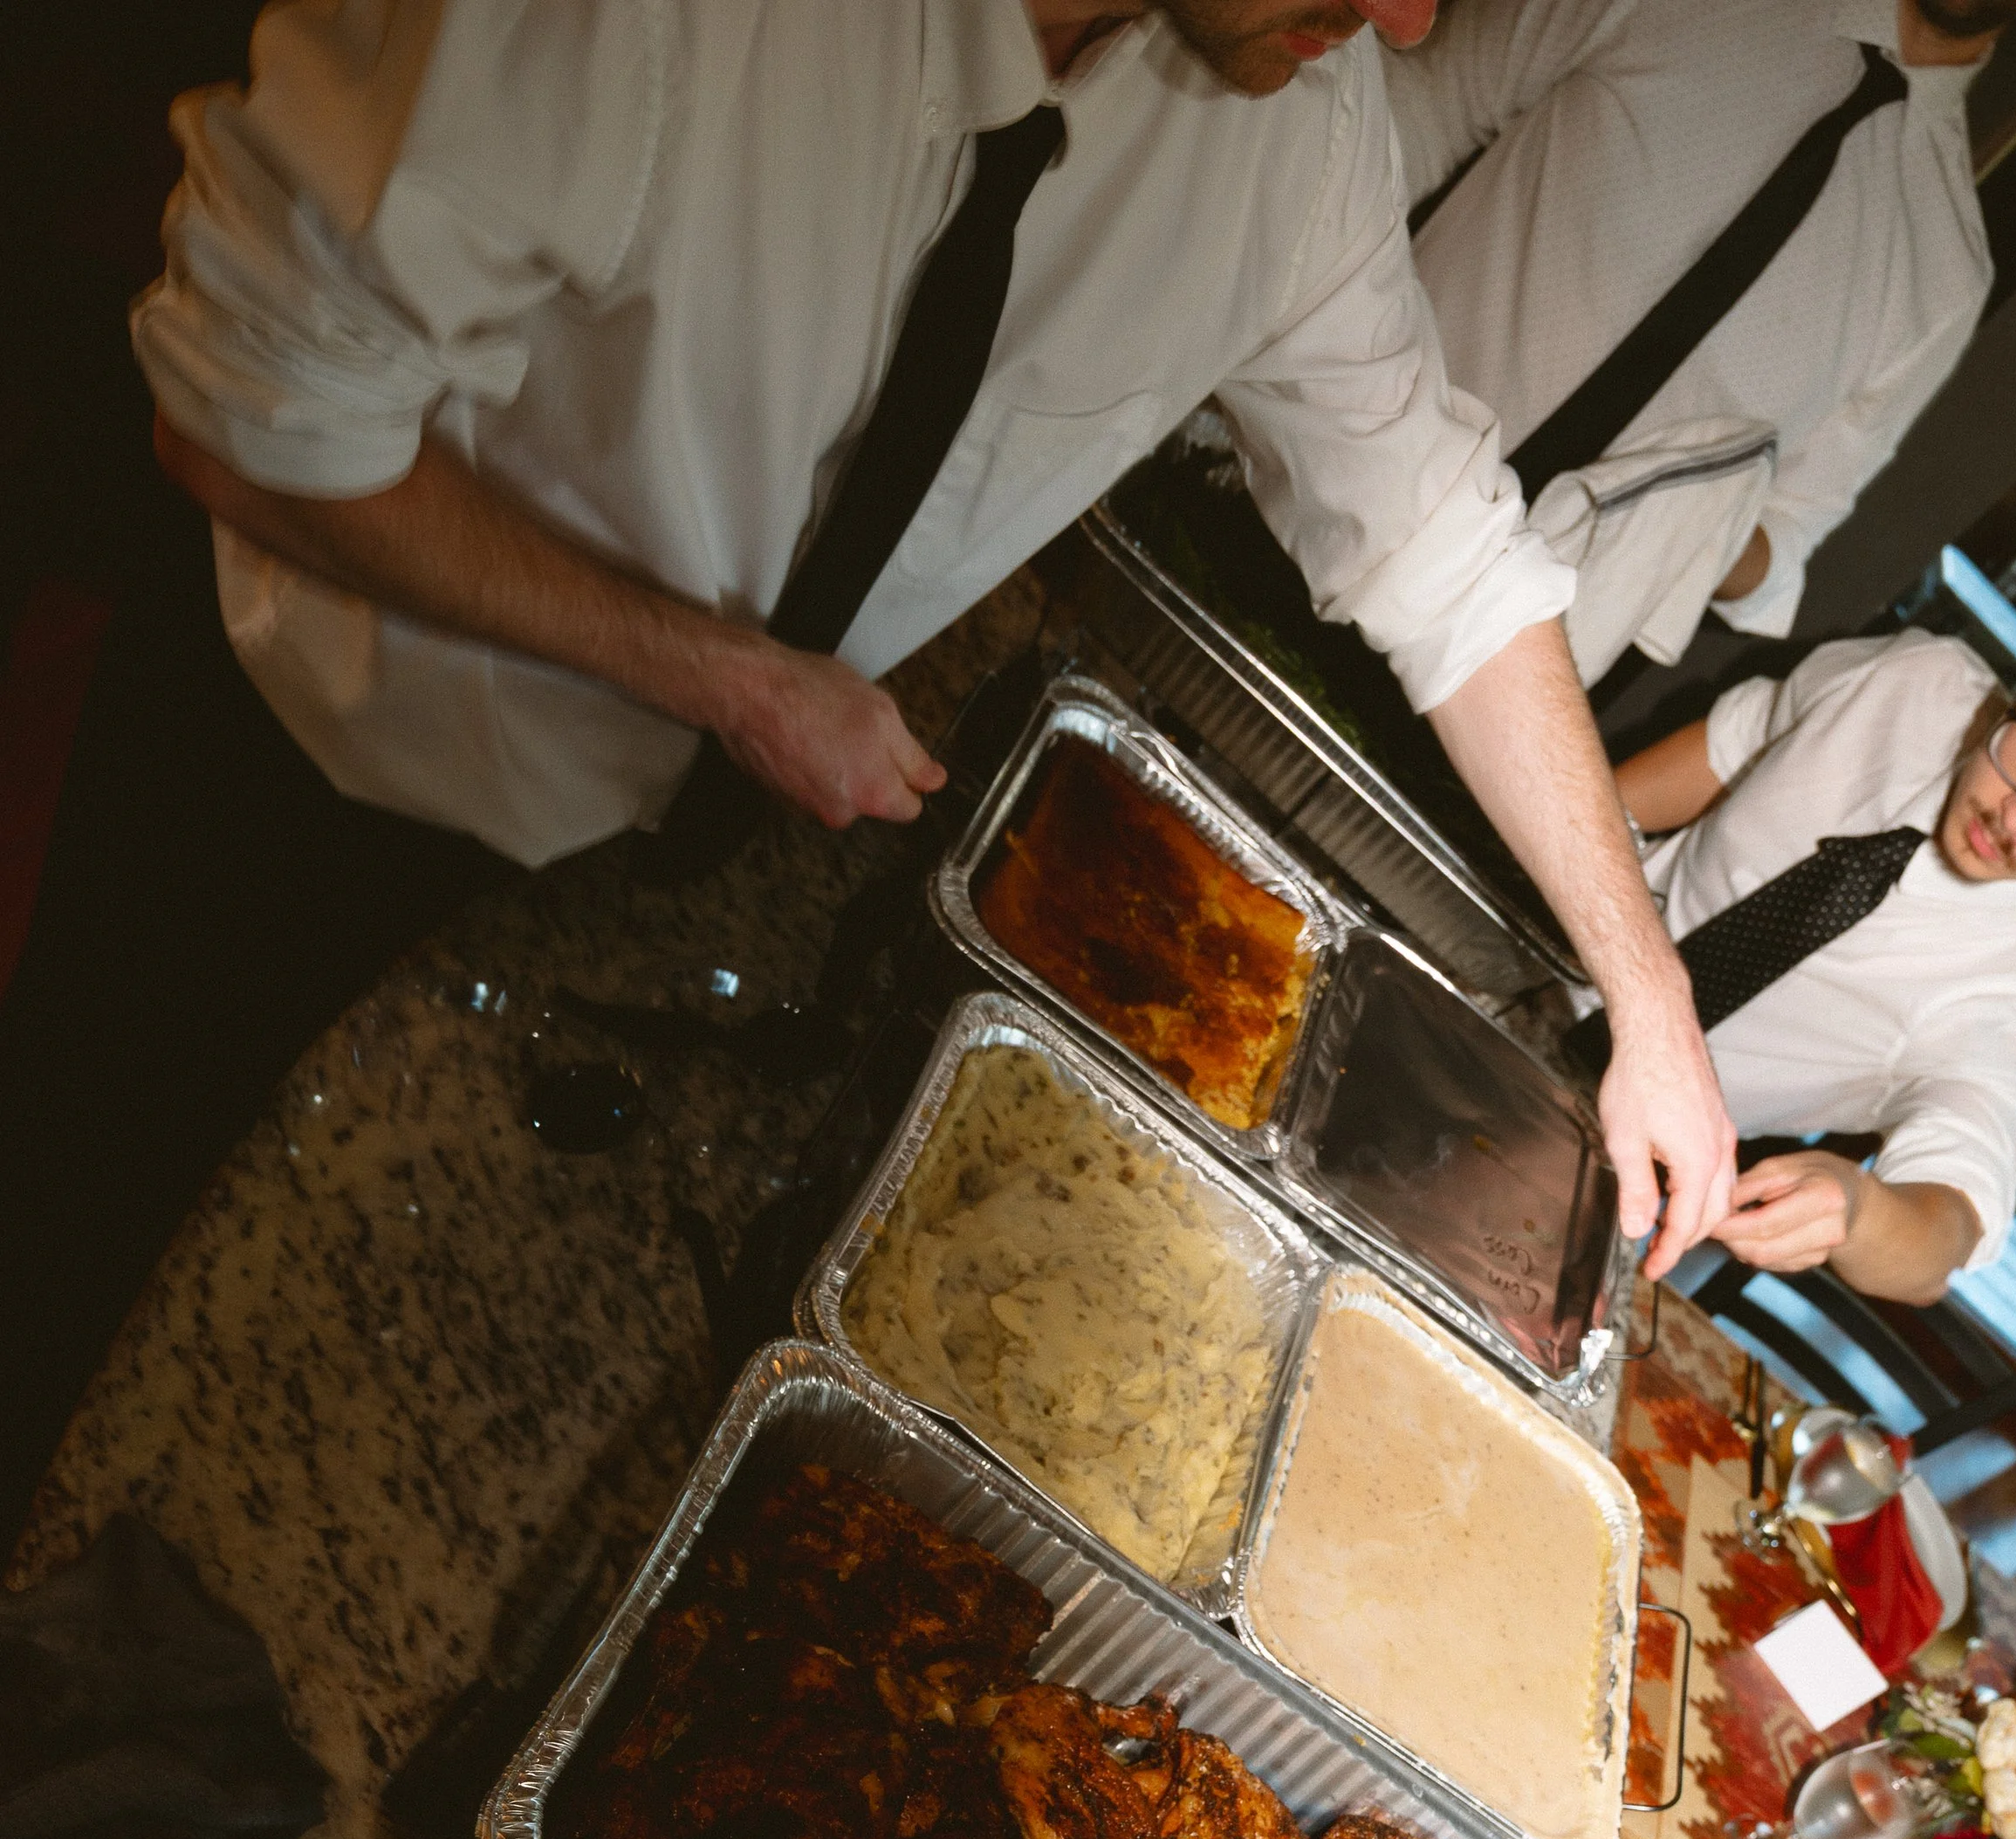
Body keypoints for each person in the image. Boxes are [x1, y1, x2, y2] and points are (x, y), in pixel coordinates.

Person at [0, 0, 1737, 1554]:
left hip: (630, 860)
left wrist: (1645, 997)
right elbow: (252, 419)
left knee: (309, 1434)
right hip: (325, 755)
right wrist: (731, 680)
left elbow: (1437, 544)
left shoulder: (1296, 121)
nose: (1417, 21)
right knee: (88, 1234)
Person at [1381, 0, 2016, 691]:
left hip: (1498, 665)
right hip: (1323, 466)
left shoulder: (1945, 277)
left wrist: (1703, 518)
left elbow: (1788, 536)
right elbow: (1419, 109)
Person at [1596, 561, 2016, 1306]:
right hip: (1525, 932)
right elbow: (1722, 752)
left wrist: (1859, 1208)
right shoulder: (1912, 680)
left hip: (1606, 1141)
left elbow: (1946, 1227)